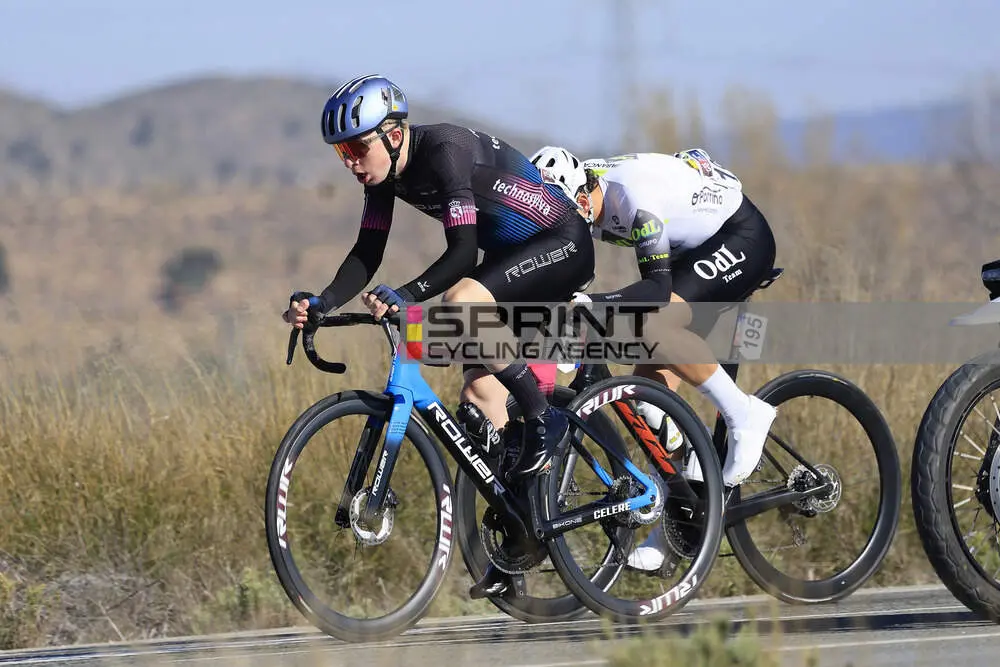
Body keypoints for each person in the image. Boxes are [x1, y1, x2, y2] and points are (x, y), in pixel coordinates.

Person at [280, 74, 596, 595]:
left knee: (461, 301)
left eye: (358, 148)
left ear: (394, 134)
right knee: (480, 395)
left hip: (560, 243)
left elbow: (462, 254)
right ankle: (520, 541)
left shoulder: (444, 151)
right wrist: (322, 302)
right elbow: (366, 253)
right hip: (513, 259)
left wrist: (407, 293)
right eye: (342, 155)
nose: (352, 162)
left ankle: (545, 420)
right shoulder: (383, 180)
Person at [524, 146, 780, 573]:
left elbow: (656, 290)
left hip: (740, 237)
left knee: (655, 326)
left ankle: (744, 414)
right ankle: (679, 516)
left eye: (566, 216)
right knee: (648, 404)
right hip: (692, 248)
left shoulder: (632, 200)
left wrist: (594, 304)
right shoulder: (588, 198)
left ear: (583, 198)